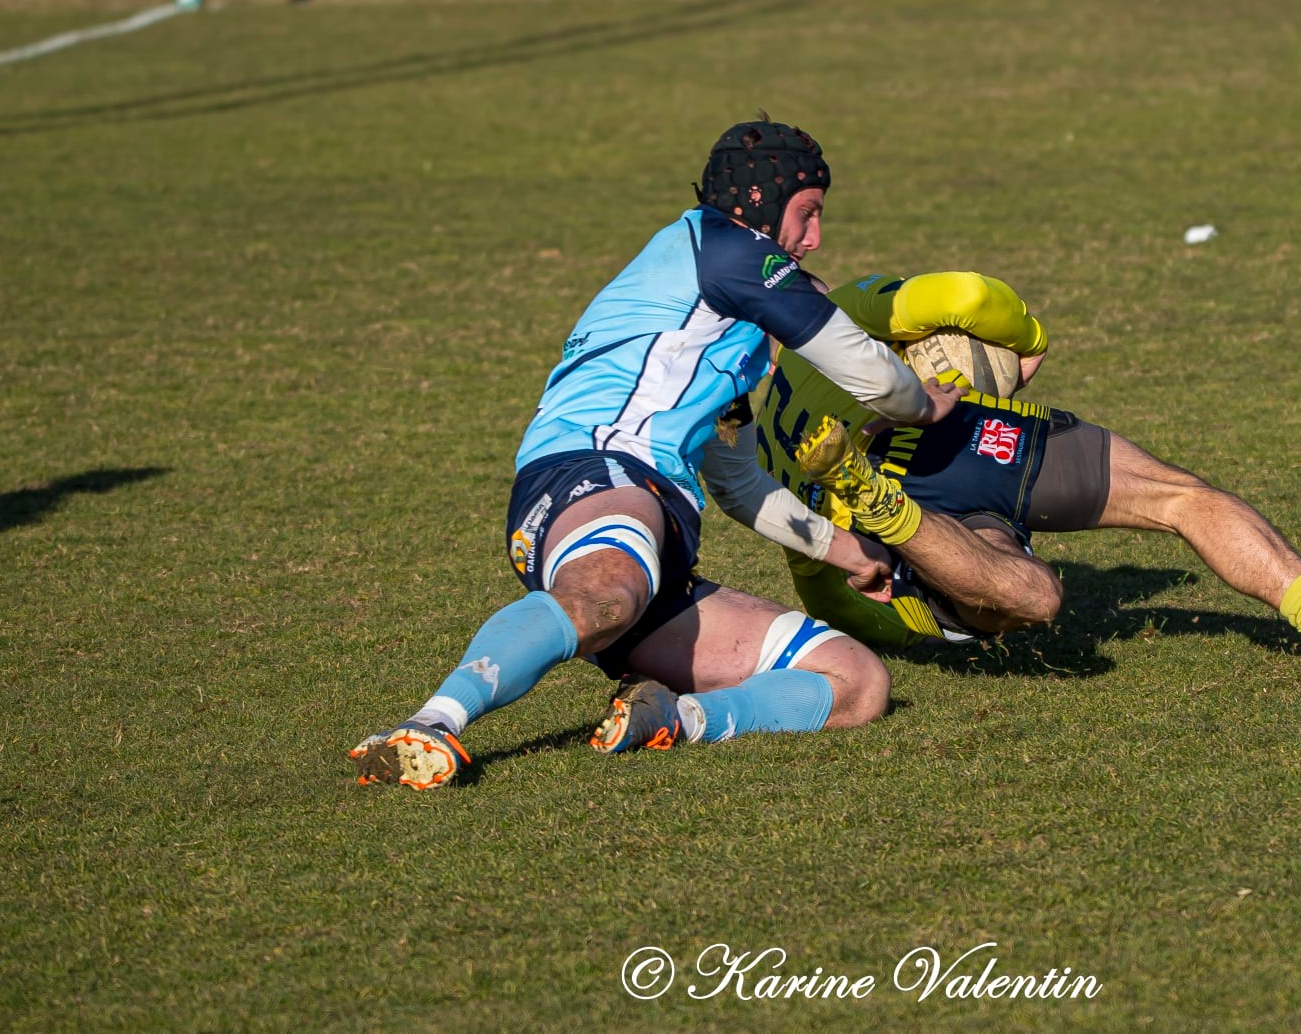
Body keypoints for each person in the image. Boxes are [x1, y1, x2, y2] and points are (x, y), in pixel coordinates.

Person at [350, 118, 965, 790]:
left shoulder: (718, 332)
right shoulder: (726, 253)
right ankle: (430, 726)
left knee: (854, 682)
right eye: (807, 214)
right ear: (759, 203)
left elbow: (736, 481)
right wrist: (922, 405)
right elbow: (870, 374)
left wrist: (843, 550)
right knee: (608, 592)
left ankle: (674, 717)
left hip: (657, 531)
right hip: (590, 472)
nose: (815, 239)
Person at [750, 269, 1301, 675]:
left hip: (906, 504)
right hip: (966, 442)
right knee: (1178, 502)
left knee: (1030, 601)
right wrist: (1024, 343)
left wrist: (877, 606)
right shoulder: (842, 305)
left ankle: (882, 509)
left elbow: (819, 577)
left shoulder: (762, 445)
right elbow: (969, 300)